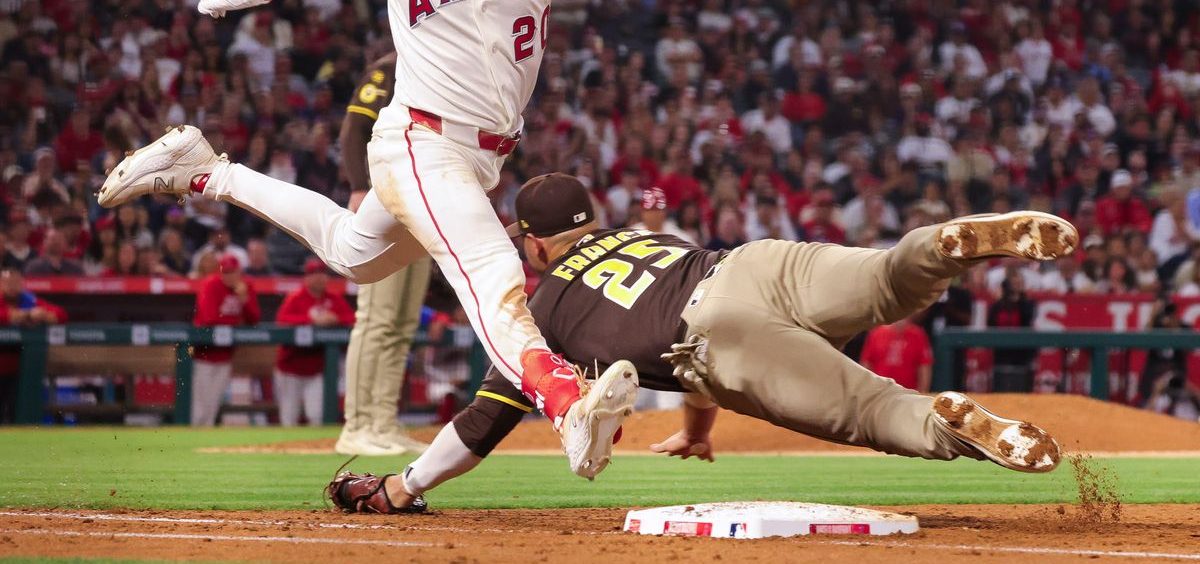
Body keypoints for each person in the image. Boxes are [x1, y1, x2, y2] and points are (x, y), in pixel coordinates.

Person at [97, 0, 722, 479]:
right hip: (421, 139)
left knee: (352, 254)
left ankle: (206, 170)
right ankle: (567, 404)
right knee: (492, 273)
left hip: (481, 155)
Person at [327, 174, 1077, 514]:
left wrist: (402, 488)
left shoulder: (536, 306)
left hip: (713, 340)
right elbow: (689, 309)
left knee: (877, 409)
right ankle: (947, 245)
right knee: (888, 279)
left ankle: (949, 420)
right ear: (591, 220)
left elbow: (484, 422)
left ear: (532, 241)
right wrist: (695, 429)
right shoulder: (644, 234)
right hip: (748, 262)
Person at [335, 52, 435, 456]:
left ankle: (382, 422)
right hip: (383, 202)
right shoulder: (392, 65)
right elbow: (353, 129)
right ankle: (356, 426)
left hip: (423, 206)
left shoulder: (437, 63)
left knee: (401, 324)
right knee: (375, 319)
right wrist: (359, 187)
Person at [274, 259, 356, 427]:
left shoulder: (333, 299)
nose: (318, 278)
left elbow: (352, 318)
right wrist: (311, 320)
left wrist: (335, 319)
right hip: (291, 369)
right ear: (306, 278)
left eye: (322, 274)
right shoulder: (296, 298)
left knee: (317, 416)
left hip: (317, 369)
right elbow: (282, 321)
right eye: (313, 274)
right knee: (288, 417)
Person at [191, 254, 261, 426]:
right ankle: (192, 437)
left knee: (213, 403)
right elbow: (209, 318)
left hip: (226, 355)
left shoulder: (245, 287)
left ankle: (204, 439)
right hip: (203, 354)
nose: (229, 276)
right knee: (199, 405)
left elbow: (254, 320)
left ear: (239, 272)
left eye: (233, 272)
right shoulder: (211, 284)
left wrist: (245, 300)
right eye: (226, 272)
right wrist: (236, 322)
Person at [0, 268, 67, 423]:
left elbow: (61, 314)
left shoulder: (28, 300)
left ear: (22, 283)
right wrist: (26, 315)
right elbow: (4, 315)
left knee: (17, 416)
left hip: (20, 372)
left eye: (15, 282)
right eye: (7, 282)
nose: (11, 286)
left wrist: (43, 315)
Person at [987, 275, 1037, 392]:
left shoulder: (1027, 304)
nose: (1016, 287)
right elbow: (990, 324)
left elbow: (1027, 320)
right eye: (1014, 284)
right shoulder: (997, 306)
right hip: (1002, 353)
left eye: (1019, 284)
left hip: (1021, 353)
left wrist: (1017, 300)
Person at [859, 316, 933, 392]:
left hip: (908, 392)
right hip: (881, 391)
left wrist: (922, 392)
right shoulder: (876, 333)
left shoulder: (918, 335)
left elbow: (924, 366)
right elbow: (866, 364)